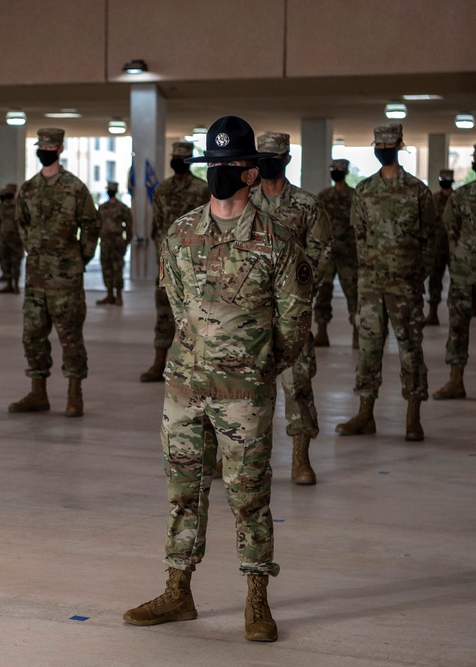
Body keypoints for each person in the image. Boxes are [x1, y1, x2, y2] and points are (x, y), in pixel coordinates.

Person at [122, 116, 312, 642]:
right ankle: (178, 590)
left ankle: (256, 598)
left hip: (243, 395)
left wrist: (253, 371)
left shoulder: (278, 242)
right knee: (183, 491)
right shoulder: (181, 233)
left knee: (248, 495)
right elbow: (178, 306)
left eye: (230, 165)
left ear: (251, 173)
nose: (220, 174)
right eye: (214, 166)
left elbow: (294, 327)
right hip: (184, 387)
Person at [336, 124, 436, 441]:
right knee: (367, 351)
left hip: (404, 287)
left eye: (388, 144)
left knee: (410, 350)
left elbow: (430, 241)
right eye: (378, 144)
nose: (383, 149)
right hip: (370, 287)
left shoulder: (418, 191)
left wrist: (413, 275)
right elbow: (359, 236)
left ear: (399, 145)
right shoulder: (364, 191)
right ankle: (366, 414)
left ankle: (413, 416)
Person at [250, 132, 331, 486]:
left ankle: (301, 458)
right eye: (261, 156)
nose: (267, 161)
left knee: (297, 384)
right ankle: (238, 456)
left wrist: (300, 296)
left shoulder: (306, 204)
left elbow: (323, 254)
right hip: (249, 311)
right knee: (242, 386)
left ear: (286, 159)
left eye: (274, 155)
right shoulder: (242, 201)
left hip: (290, 312)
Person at [8, 128, 99, 418]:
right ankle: (38, 393)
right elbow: (20, 223)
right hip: (36, 275)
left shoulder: (75, 187)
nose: (44, 150)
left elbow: (90, 225)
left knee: (70, 334)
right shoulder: (29, 188)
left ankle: (75, 394)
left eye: (49, 146)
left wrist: (79, 258)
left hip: (66, 275)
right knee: (32, 334)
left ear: (59, 148)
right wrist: (33, 250)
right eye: (41, 146)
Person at [141, 141, 210, 382]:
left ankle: (193, 366)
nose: (177, 160)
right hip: (167, 261)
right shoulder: (162, 189)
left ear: (190, 160)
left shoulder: (202, 189)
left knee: (194, 313)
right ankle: (159, 362)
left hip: (194, 262)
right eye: (175, 156)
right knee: (163, 312)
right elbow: (157, 225)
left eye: (182, 156)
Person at [432, 144, 476, 400]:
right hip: (463, 274)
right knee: (457, 326)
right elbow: (450, 229)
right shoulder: (461, 196)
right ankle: (456, 380)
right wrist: (458, 256)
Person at [315, 159, 359, 348]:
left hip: (348, 252)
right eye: (333, 169)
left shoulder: (354, 196)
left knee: (353, 293)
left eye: (339, 169)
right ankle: (322, 330)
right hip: (328, 253)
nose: (336, 172)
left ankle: (357, 332)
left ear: (346, 172)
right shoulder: (324, 196)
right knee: (323, 292)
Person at [96, 180, 133, 306]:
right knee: (106, 267)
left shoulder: (122, 208)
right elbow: (97, 225)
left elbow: (129, 226)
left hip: (117, 242)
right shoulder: (102, 207)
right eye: (109, 189)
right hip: (105, 242)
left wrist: (126, 242)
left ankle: (119, 296)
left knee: (117, 269)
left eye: (111, 189)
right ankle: (109, 294)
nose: (110, 191)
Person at [425, 168, 454, 326]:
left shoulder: (457, 199)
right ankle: (433, 313)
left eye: (447, 178)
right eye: (442, 178)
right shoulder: (434, 199)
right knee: (434, 280)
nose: (445, 181)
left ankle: (459, 313)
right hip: (437, 247)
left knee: (458, 282)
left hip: (454, 248)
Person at [0, 183, 23, 294]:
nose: (9, 192)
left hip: (16, 241)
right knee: (5, 262)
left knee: (16, 263)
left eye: (11, 190)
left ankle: (16, 285)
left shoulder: (20, 207)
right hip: (3, 240)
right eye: (8, 190)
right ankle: (9, 284)